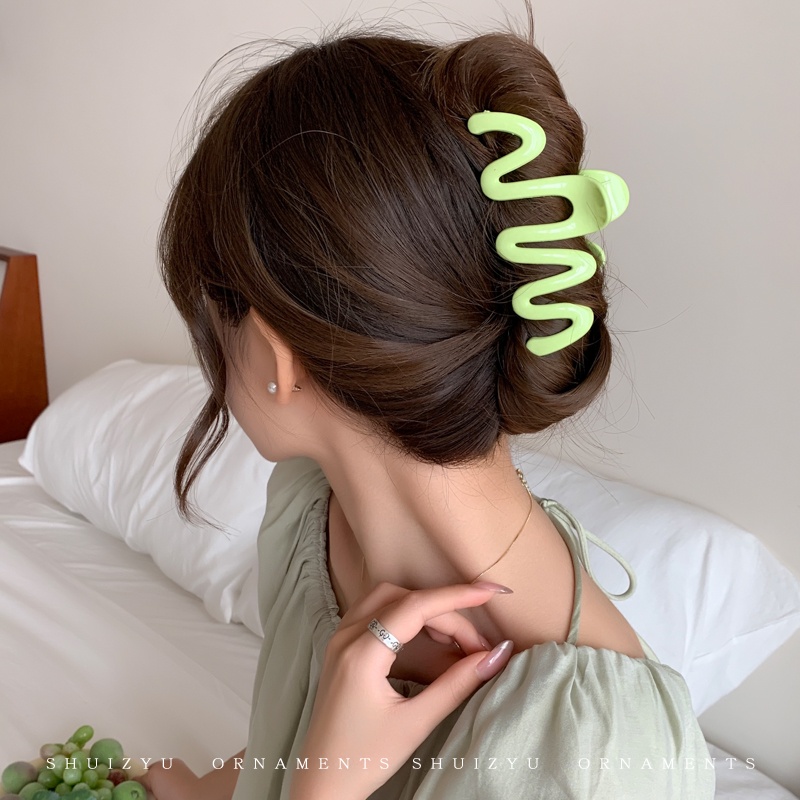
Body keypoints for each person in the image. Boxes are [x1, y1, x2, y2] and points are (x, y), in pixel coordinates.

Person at [141, 11, 715, 800]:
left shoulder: (600, 760)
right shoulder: (310, 507)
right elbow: (292, 734)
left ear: (275, 360)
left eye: (210, 321)